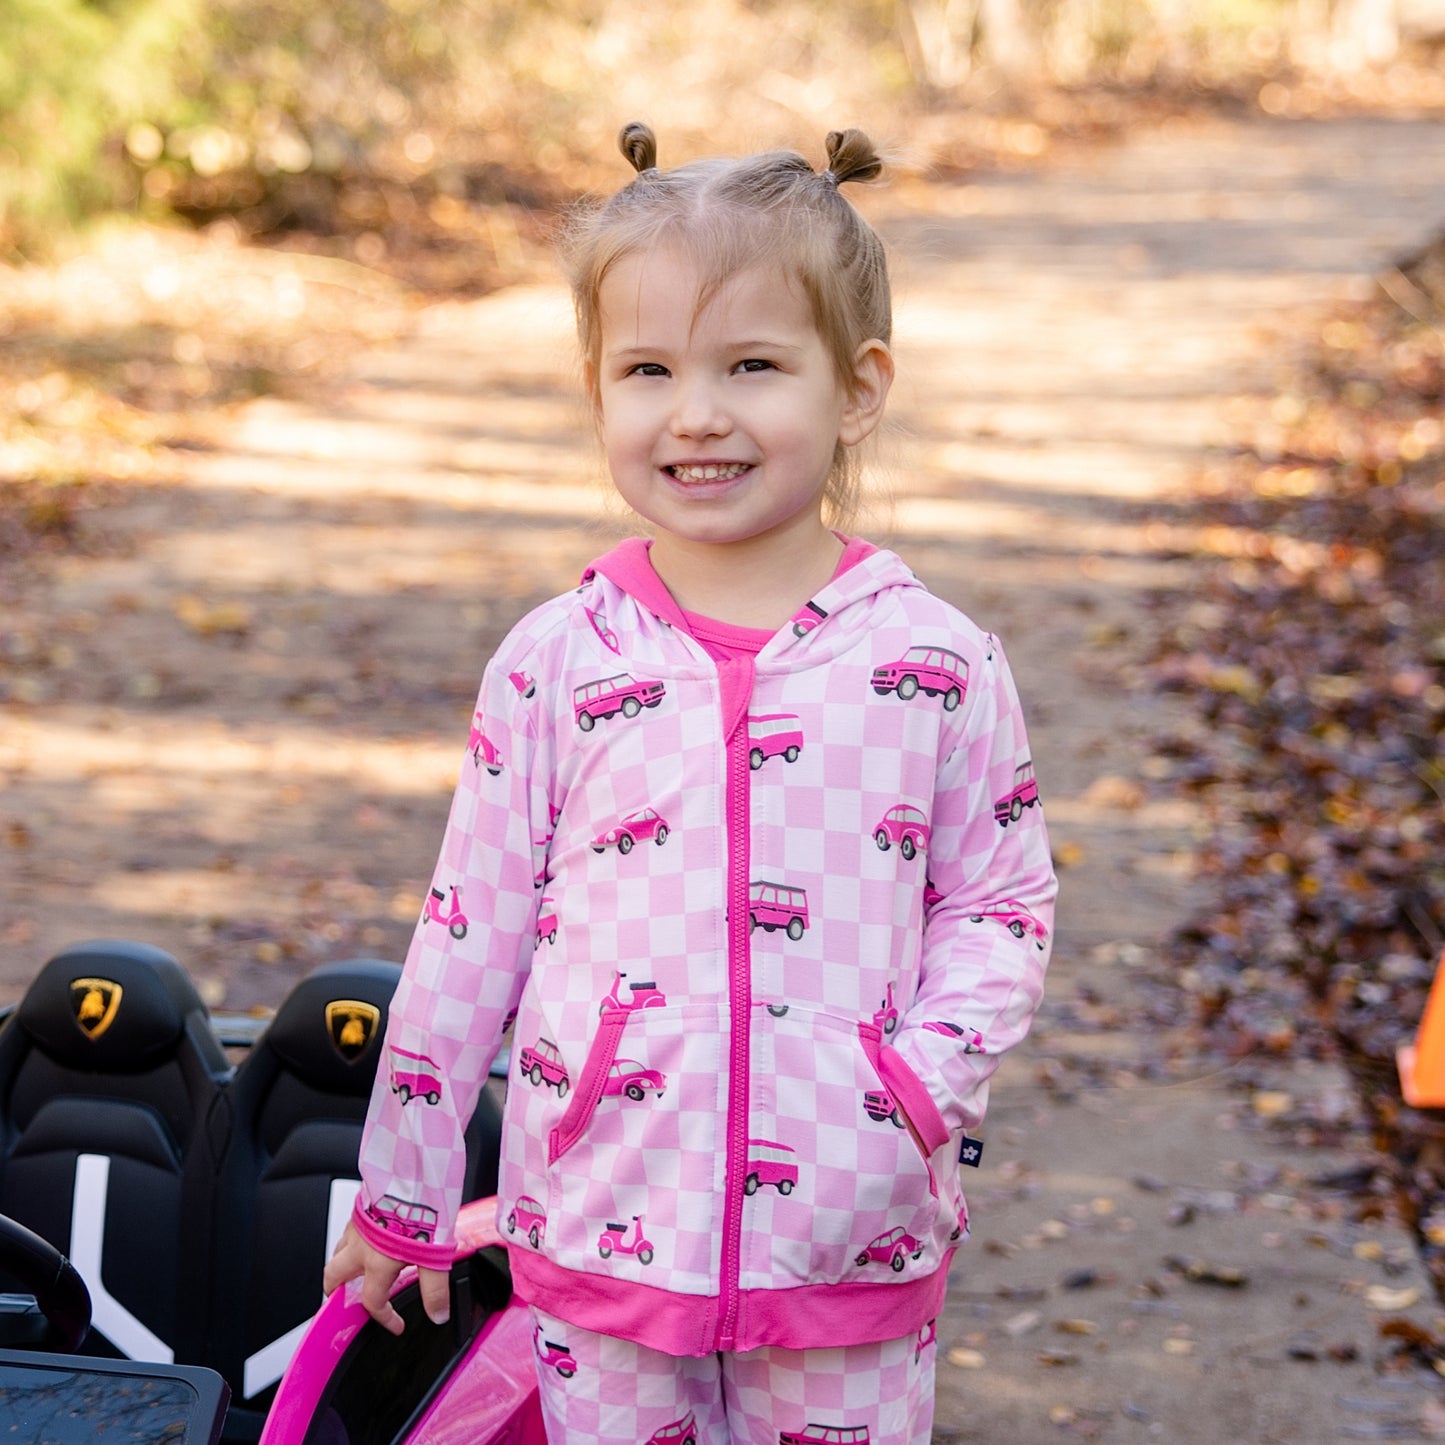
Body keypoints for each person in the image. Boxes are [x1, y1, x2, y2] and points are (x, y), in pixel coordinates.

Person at [324, 120, 1056, 1444]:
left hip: (852, 1229)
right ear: (595, 386)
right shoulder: (557, 660)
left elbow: (999, 902)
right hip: (599, 1214)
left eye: (753, 364)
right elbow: (465, 932)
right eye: (648, 367)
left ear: (856, 385)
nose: (697, 412)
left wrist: (910, 1090)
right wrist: (404, 1195)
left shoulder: (936, 662)